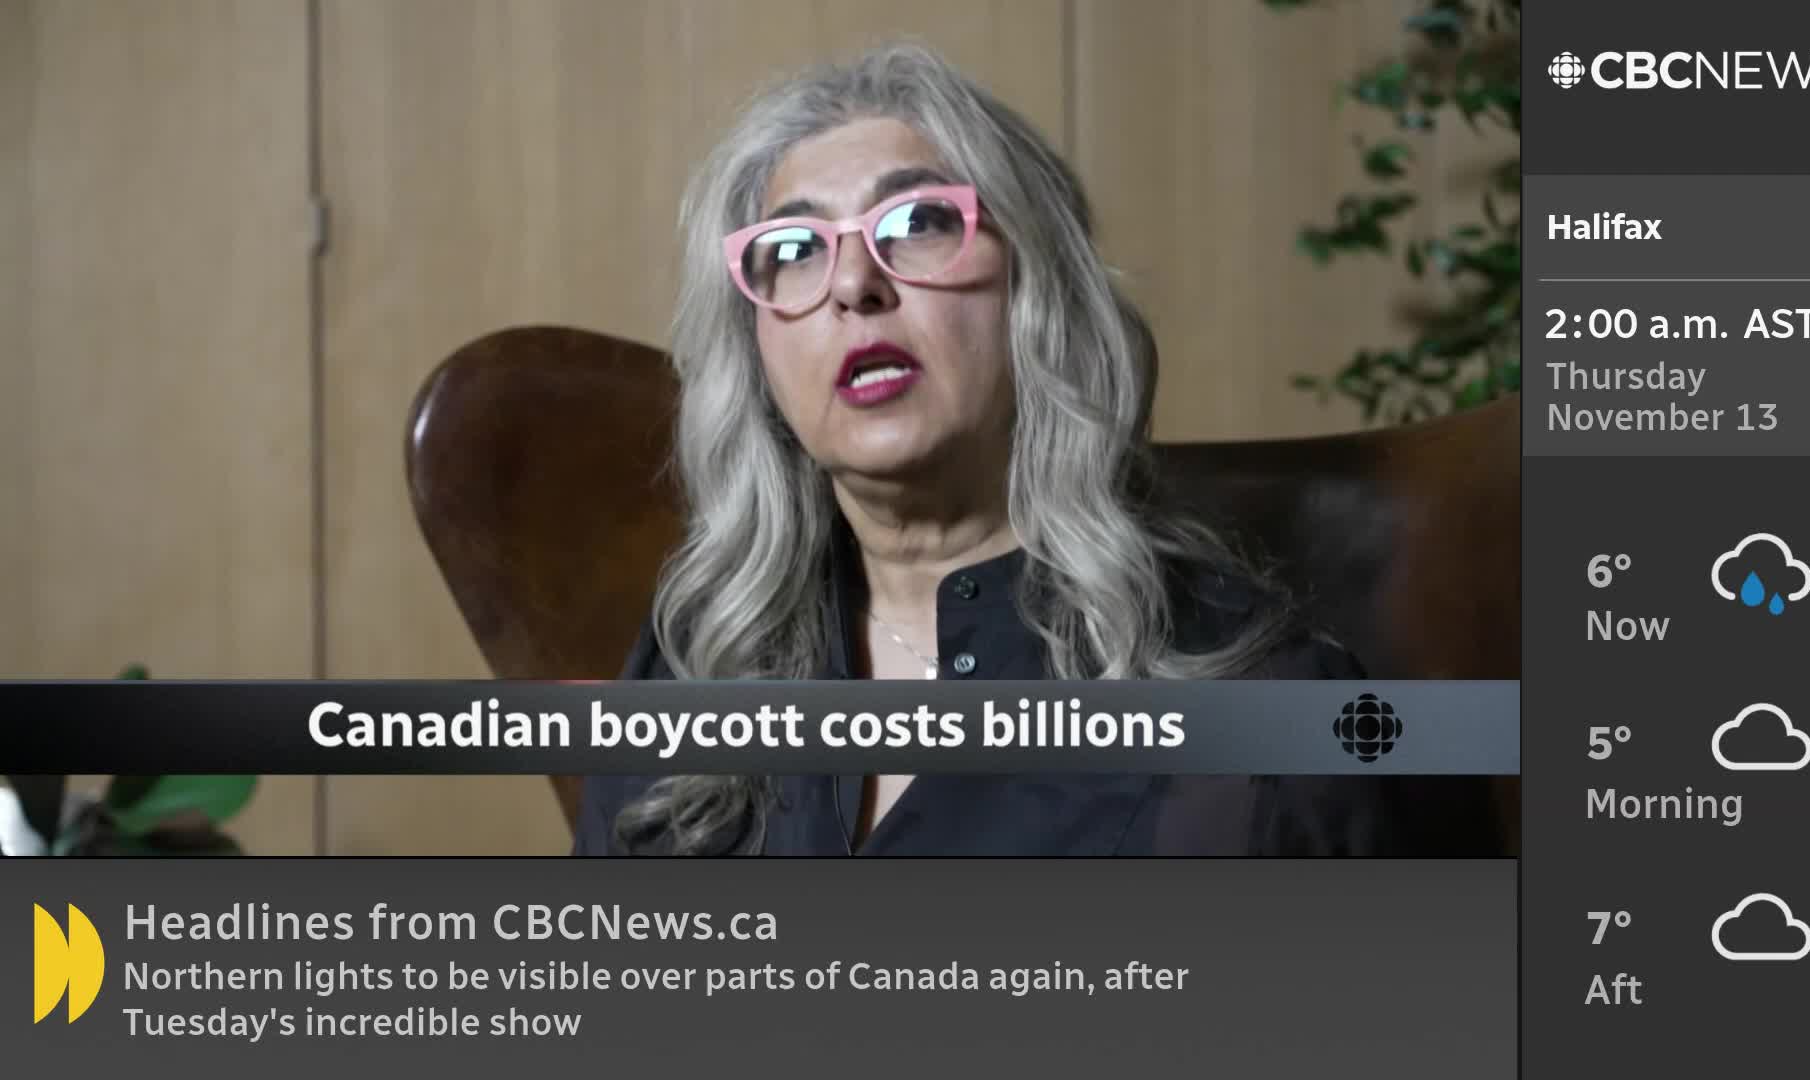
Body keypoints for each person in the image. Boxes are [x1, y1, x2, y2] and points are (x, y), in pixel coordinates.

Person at [573, 42, 1488, 856]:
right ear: (757, 350)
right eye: (794, 249)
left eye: (919, 224)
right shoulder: (695, 664)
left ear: (1040, 298)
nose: (853, 282)